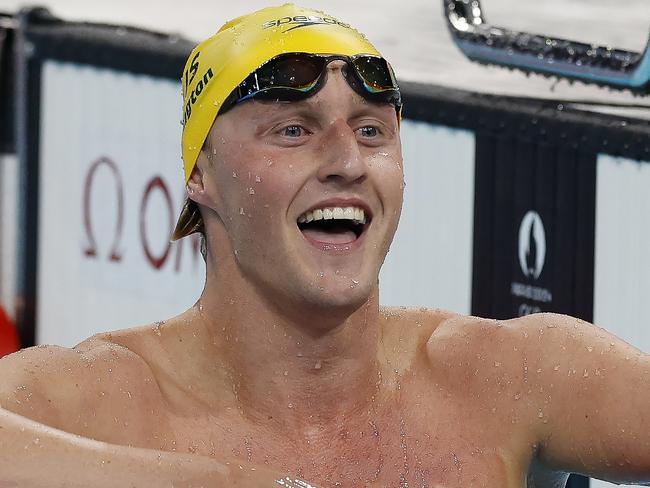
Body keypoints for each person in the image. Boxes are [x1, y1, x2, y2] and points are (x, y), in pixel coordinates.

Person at [1, 4, 649, 487]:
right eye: (292, 129)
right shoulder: (106, 398)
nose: (347, 160)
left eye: (372, 131)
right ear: (201, 174)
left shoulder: (507, 379)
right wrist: (210, 481)